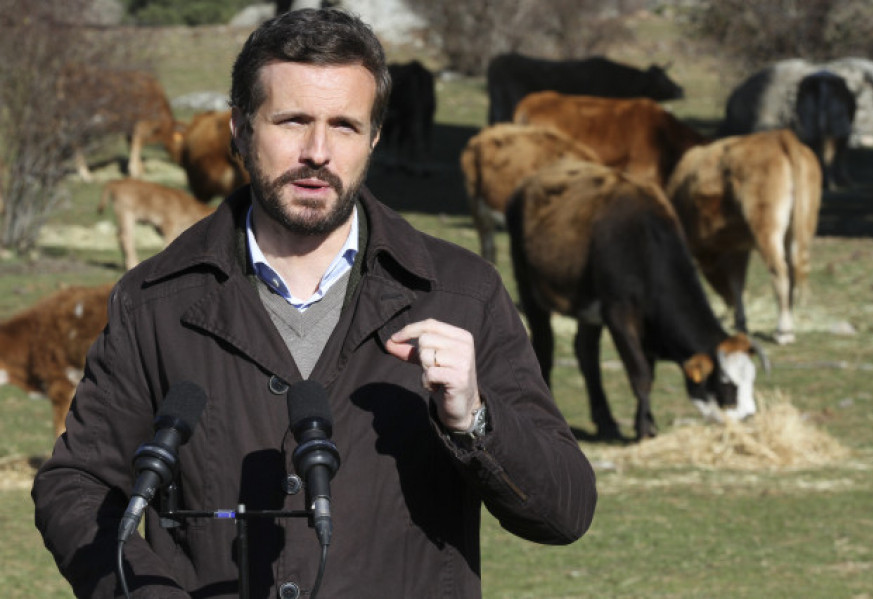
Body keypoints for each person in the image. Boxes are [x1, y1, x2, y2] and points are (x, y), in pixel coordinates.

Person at [32, 8, 597, 598]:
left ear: (375, 137)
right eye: (293, 120)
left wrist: (476, 421)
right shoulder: (154, 302)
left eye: (345, 126)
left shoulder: (462, 293)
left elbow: (565, 513)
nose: (318, 151)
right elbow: (77, 487)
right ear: (240, 128)